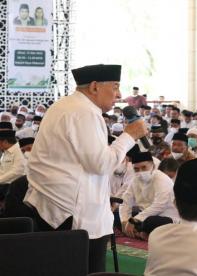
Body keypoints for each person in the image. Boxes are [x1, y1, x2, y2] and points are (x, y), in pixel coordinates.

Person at [24, 64, 148, 273]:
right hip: (71, 215)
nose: (118, 95)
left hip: (58, 208)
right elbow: (100, 163)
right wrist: (129, 135)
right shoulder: (84, 113)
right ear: (94, 87)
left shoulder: (67, 106)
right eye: (115, 87)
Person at [120, 152, 179, 239]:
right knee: (117, 217)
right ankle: (141, 232)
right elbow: (125, 201)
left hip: (165, 217)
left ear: (153, 166)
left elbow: (159, 205)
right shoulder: (135, 180)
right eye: (136, 169)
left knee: (151, 221)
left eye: (144, 167)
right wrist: (125, 221)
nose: (140, 171)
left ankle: (141, 231)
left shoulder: (161, 178)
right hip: (143, 216)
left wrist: (134, 220)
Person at [0, 129, 27, 205]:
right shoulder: (6, 151)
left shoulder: (19, 151)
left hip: (11, 187)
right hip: (3, 184)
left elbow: (17, 171)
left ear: (5, 142)